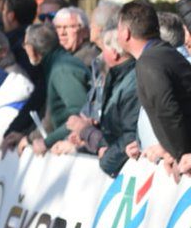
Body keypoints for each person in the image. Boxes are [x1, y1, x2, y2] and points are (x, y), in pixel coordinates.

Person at [117, 0, 191, 175]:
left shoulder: (149, 62)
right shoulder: (165, 52)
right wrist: (167, 148)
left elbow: (167, 109)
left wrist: (181, 153)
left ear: (126, 33)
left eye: (118, 29)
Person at [54, 25, 138, 176]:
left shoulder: (129, 83)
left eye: (102, 48)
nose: (99, 55)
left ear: (114, 53)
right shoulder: (116, 78)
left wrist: (86, 131)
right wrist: (85, 140)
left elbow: (127, 136)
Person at [22, 23, 90, 154]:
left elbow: (80, 115)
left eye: (25, 46)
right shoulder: (56, 65)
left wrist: (47, 142)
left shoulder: (62, 69)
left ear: (31, 49)